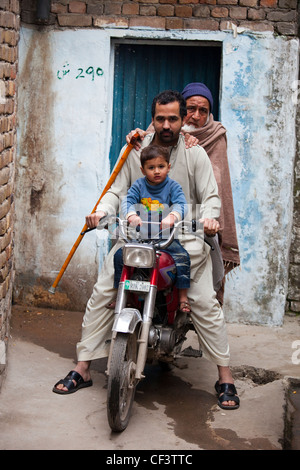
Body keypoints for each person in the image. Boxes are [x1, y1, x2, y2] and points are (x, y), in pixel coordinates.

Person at [53, 89, 239, 410]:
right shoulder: (136, 150)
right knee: (102, 291)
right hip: (138, 237)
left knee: (204, 302)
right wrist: (102, 211)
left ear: (182, 121)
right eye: (160, 118)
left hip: (183, 238)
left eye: (173, 118)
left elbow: (210, 196)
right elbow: (116, 190)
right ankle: (83, 367)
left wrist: (209, 217)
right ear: (152, 119)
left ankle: (225, 376)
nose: (166, 125)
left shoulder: (195, 154)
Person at [127, 82, 240, 305]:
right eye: (190, 109)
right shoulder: (144, 142)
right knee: (111, 282)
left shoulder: (210, 140)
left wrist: (208, 218)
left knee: (205, 304)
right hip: (148, 227)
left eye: (203, 111)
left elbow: (215, 190)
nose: (195, 116)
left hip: (189, 227)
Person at [113, 144, 191, 313]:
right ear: (143, 170)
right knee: (120, 256)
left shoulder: (173, 187)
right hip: (143, 238)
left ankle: (183, 298)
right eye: (151, 167)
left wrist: (173, 216)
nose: (157, 171)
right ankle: (119, 295)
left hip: (167, 239)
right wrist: (131, 215)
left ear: (168, 167)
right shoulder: (139, 186)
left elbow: (181, 204)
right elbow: (127, 201)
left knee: (183, 258)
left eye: (161, 166)